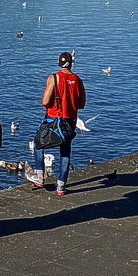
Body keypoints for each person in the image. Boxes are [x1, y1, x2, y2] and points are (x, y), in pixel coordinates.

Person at [28, 52, 86, 196]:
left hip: (53, 119)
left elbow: (45, 101)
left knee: (38, 142)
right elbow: (82, 104)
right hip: (71, 121)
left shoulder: (54, 78)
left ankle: (40, 175)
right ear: (71, 63)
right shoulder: (78, 80)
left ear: (59, 63)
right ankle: (61, 185)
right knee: (65, 151)